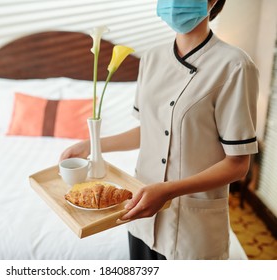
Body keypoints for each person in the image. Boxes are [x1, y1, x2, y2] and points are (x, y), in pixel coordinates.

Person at [60, 0, 259, 260]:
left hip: (192, 226)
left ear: (212, 1)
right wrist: (91, 145)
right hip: (140, 213)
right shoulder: (151, 58)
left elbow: (238, 164)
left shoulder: (234, 66)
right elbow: (149, 131)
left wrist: (168, 190)